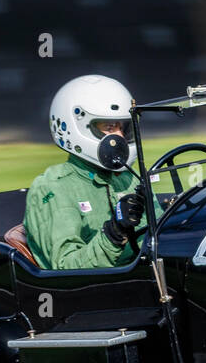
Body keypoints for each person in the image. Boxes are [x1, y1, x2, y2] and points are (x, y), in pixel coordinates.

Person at [23, 74, 147, 269]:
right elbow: (66, 267)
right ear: (75, 127)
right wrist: (114, 233)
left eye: (123, 127)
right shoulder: (54, 187)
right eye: (109, 127)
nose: (120, 136)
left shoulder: (129, 178)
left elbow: (160, 240)